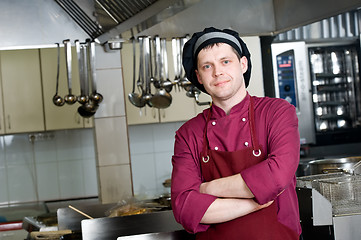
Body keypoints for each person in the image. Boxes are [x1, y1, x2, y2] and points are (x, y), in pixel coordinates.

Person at [171, 27, 301, 240]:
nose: (217, 72)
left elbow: (276, 177)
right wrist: (255, 202)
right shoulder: (188, 134)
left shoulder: (277, 112)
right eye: (207, 66)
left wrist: (206, 188)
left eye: (225, 61)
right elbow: (184, 208)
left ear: (243, 64)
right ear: (199, 76)